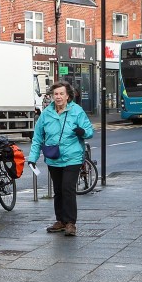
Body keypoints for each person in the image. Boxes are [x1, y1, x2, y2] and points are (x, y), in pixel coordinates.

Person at [27, 80, 94, 237]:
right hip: (54, 157)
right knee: (58, 190)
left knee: (67, 188)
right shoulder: (46, 114)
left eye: (61, 94)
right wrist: (32, 158)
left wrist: (81, 131)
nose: (58, 97)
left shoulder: (77, 111)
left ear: (68, 96)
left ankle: (70, 223)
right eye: (55, 94)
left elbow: (89, 132)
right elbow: (37, 138)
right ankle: (61, 221)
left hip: (73, 157)